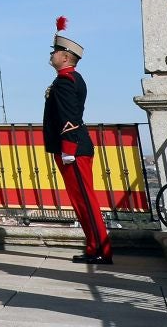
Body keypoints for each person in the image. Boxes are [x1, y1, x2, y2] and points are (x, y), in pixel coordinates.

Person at [44, 17, 111, 265]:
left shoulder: (65, 82)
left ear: (65, 56)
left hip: (73, 148)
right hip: (73, 146)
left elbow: (69, 116)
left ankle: (102, 249)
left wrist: (68, 148)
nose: (51, 55)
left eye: (55, 52)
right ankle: (94, 247)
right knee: (80, 201)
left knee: (85, 200)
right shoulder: (72, 79)